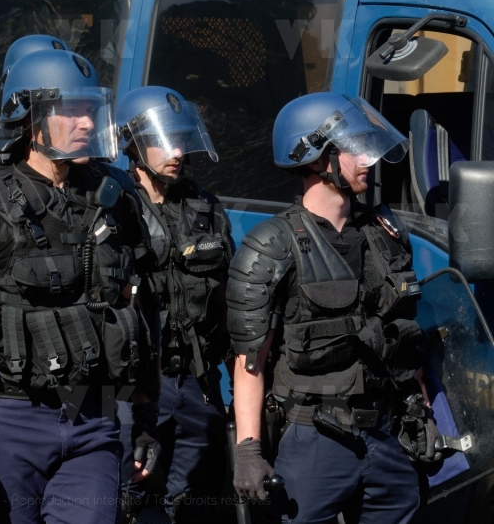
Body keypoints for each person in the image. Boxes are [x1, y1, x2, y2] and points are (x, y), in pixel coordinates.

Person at [0, 48, 159, 524]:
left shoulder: (115, 194)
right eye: (70, 110)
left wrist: (144, 412)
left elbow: (139, 306)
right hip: (9, 416)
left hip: (95, 417)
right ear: (29, 116)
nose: (85, 122)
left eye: (90, 110)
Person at [227, 92, 440, 522]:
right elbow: (252, 360)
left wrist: (423, 411)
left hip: (387, 434)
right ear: (315, 157)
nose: (368, 158)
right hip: (313, 439)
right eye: (354, 148)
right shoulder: (272, 244)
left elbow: (405, 335)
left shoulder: (385, 235)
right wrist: (248, 450)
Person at [115, 86, 234, 523]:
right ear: (131, 142)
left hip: (197, 380)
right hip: (133, 385)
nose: (177, 151)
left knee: (197, 502)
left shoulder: (205, 208)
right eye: (164, 140)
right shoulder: (113, 207)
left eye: (182, 139)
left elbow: (230, 296)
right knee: (130, 496)